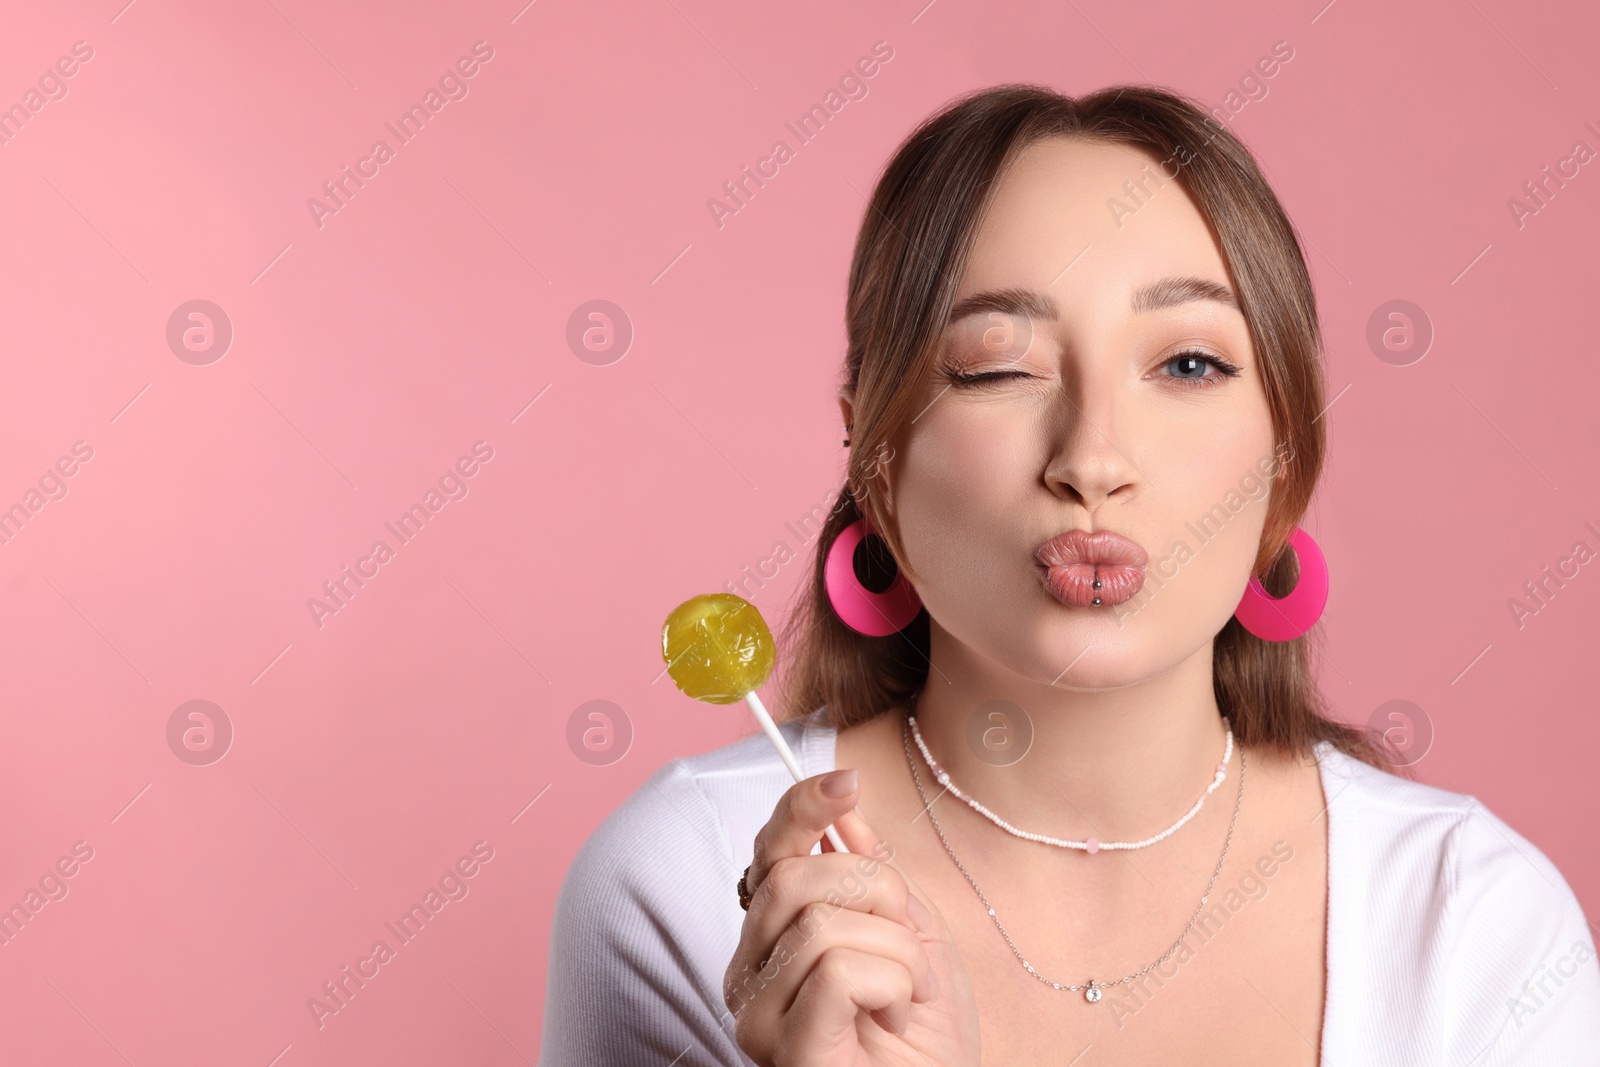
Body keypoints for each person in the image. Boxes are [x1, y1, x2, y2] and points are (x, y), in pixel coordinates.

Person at [537, 83, 1600, 1065]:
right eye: (997, 365)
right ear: (875, 453)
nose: (1091, 457)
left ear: (1285, 453)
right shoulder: (685, 885)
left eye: (1189, 363)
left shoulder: (1471, 919)